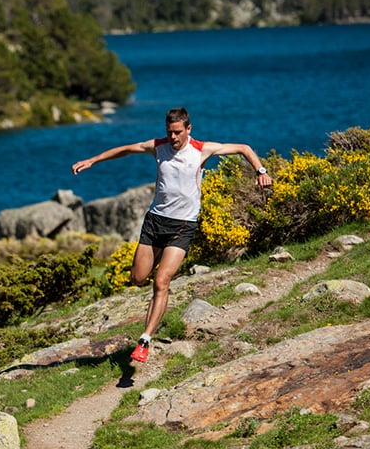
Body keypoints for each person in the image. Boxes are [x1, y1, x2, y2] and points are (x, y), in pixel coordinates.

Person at [72, 107, 272, 362]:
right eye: (170, 132)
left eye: (178, 132)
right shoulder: (158, 147)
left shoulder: (202, 149)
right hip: (155, 222)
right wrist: (93, 160)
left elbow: (244, 147)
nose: (174, 137)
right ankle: (148, 320)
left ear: (188, 129)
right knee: (138, 277)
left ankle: (144, 340)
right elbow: (125, 149)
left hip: (182, 226)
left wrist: (261, 171)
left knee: (161, 281)